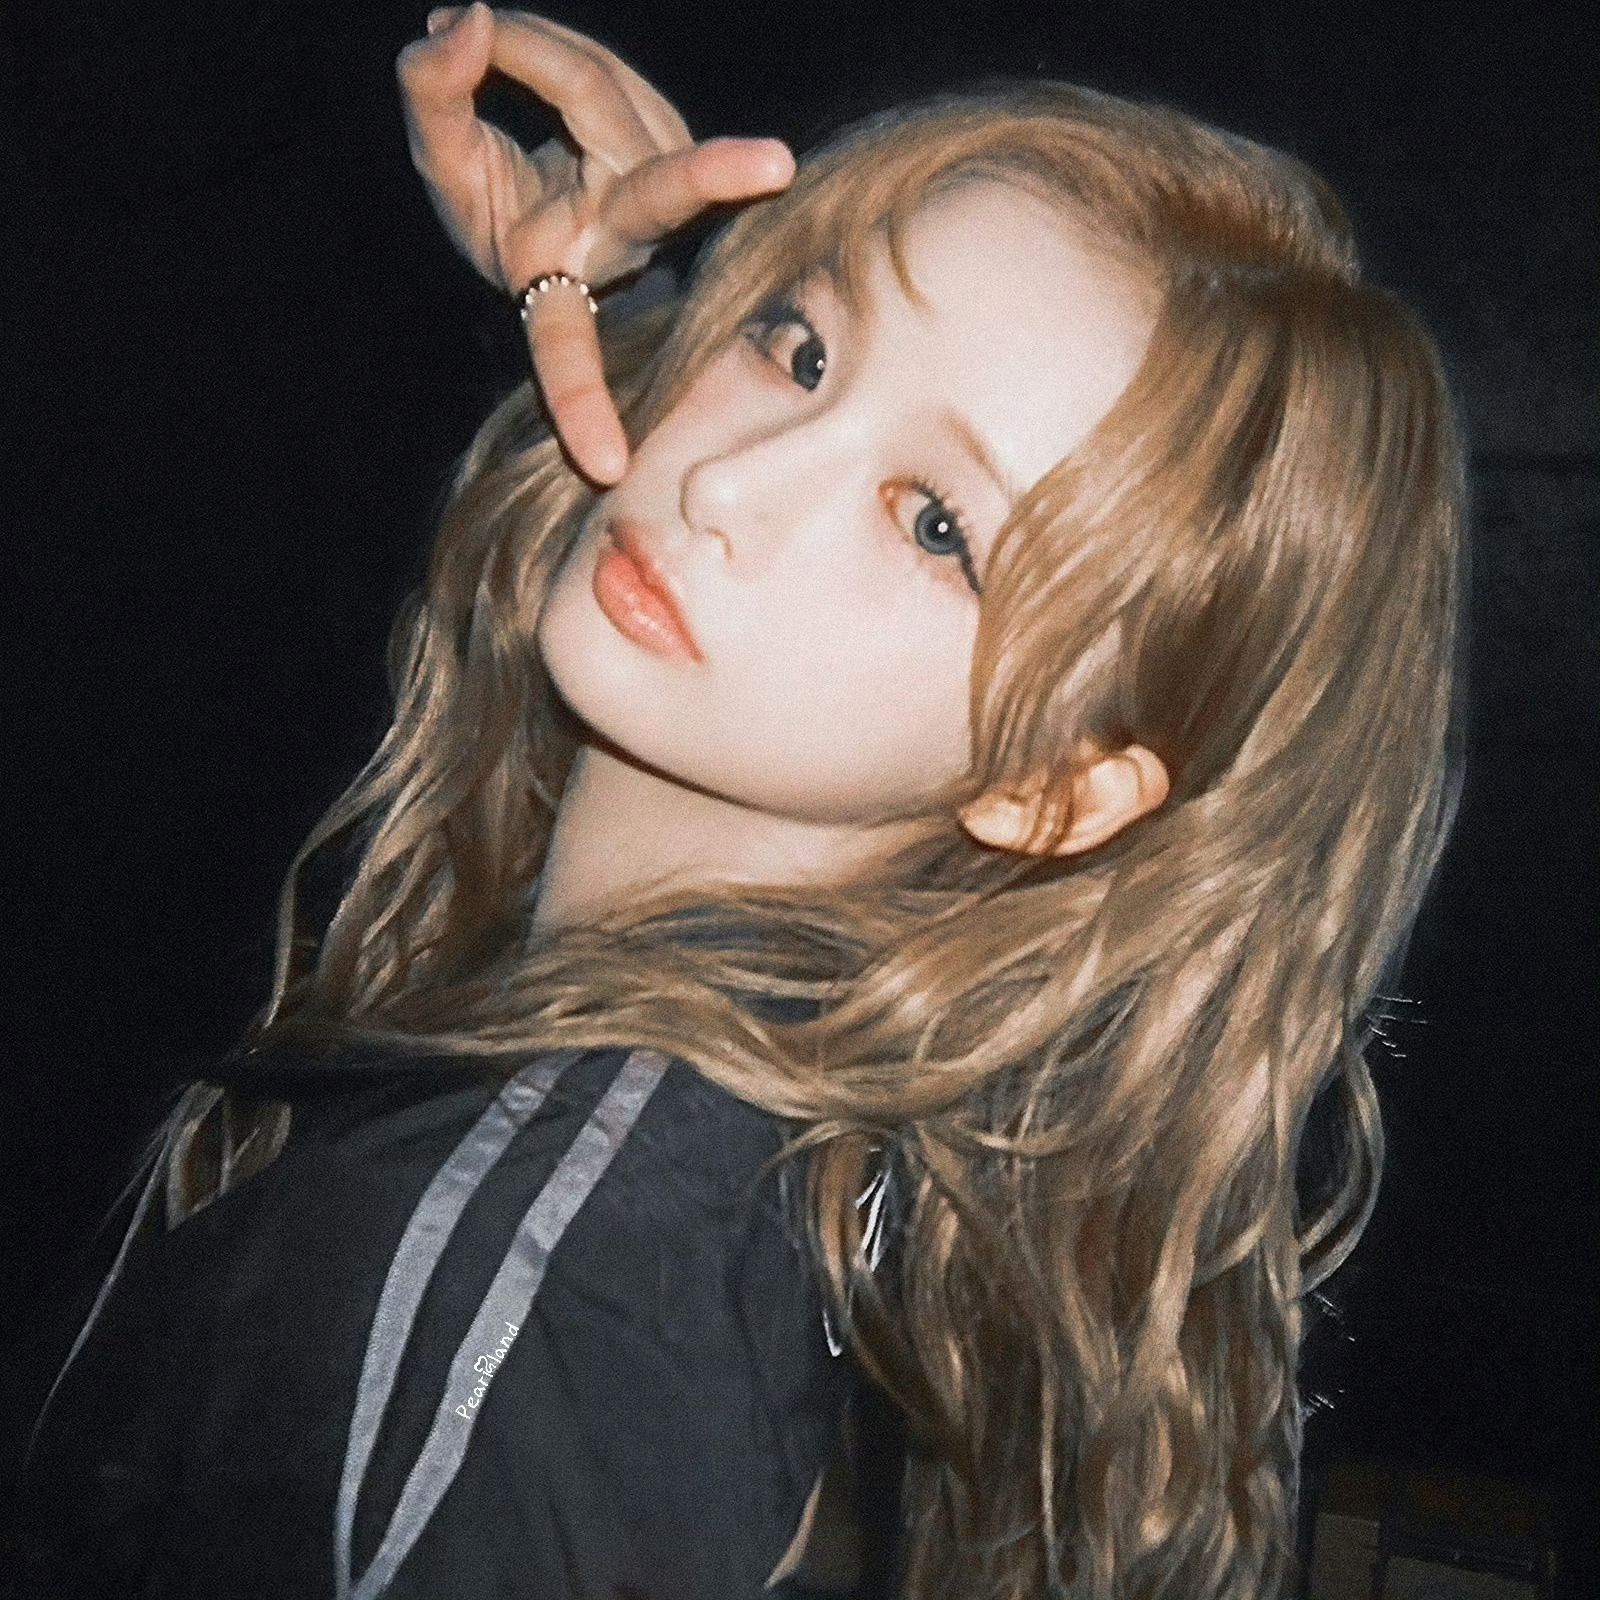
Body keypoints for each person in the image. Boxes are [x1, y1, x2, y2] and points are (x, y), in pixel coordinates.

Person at [10, 5, 1463, 1598]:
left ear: (1054, 789)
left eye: (936, 527)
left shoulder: (539, 1303)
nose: (725, 480)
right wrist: (604, 306)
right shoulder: (796, 1159)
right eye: (800, 346)